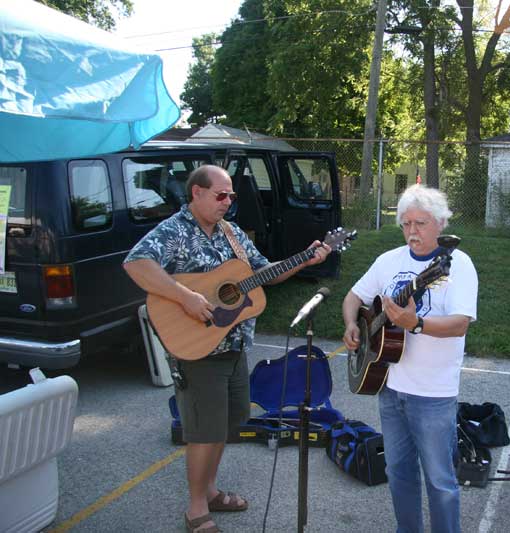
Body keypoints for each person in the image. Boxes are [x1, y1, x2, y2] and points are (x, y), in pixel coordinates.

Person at [123, 164, 330, 533]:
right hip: (197, 349)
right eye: (221, 195)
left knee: (229, 423)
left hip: (233, 346)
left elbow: (266, 271)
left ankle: (211, 489)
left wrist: (304, 259)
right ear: (197, 193)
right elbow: (136, 264)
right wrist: (185, 296)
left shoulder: (231, 234)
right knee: (204, 431)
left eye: (231, 195)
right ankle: (196, 508)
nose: (228, 202)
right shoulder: (174, 231)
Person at [342, 184, 478, 533]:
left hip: (433, 394)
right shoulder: (388, 261)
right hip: (389, 386)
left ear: (441, 223)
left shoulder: (455, 264)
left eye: (421, 223)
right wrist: (351, 326)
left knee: (439, 479)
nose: (412, 231)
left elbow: (460, 325)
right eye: (406, 224)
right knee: (398, 472)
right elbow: (353, 298)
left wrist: (414, 322)